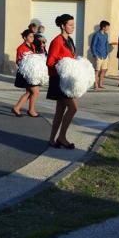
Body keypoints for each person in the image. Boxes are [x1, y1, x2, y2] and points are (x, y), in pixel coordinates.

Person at [46, 14, 77, 149]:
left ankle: (52, 139)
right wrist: (63, 67)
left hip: (66, 80)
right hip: (59, 80)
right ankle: (62, 137)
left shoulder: (69, 40)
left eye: (73, 25)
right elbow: (50, 62)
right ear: (63, 26)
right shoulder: (57, 41)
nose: (72, 27)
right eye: (70, 25)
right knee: (73, 108)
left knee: (60, 110)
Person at [12, 29, 40, 118]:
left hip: (32, 73)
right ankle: (31, 110)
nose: (32, 38)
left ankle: (17, 107)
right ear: (25, 38)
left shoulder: (33, 46)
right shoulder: (20, 48)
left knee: (29, 92)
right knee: (35, 92)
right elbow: (18, 61)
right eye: (30, 36)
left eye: (33, 36)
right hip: (26, 73)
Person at [91, 20, 110, 90]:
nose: (108, 28)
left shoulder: (106, 35)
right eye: (107, 27)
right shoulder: (96, 35)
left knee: (104, 70)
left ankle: (100, 84)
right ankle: (95, 85)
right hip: (98, 56)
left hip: (105, 56)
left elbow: (106, 44)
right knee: (97, 71)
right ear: (103, 27)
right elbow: (93, 45)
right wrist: (95, 55)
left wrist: (107, 53)